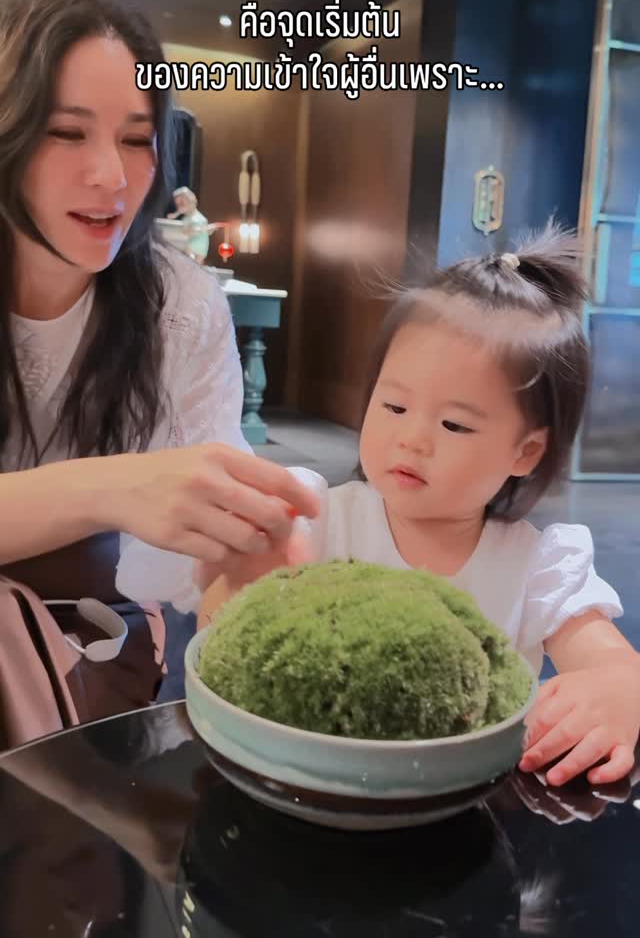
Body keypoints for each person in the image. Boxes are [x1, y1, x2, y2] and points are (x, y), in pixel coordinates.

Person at [199, 224, 640, 788]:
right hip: (311, 782)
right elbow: (221, 639)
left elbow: (613, 664)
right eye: (394, 407)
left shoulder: (537, 565)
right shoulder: (315, 518)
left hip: (466, 798)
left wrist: (616, 690)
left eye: (454, 424)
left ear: (526, 451)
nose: (411, 440)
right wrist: (237, 583)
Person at [0, 0, 318, 733]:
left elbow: (205, 563)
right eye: (67, 132)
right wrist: (106, 490)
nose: (112, 175)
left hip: (91, 649)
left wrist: (248, 567)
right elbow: (127, 493)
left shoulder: (178, 303)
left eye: (138, 139)